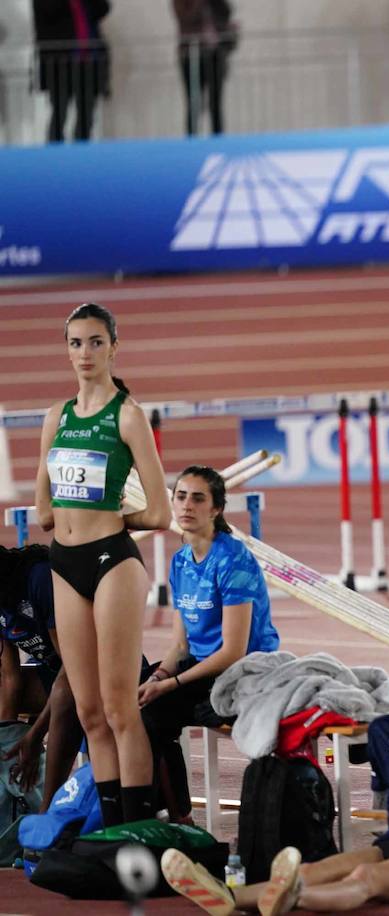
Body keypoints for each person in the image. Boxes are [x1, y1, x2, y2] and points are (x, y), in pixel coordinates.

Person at [161, 643, 389, 914]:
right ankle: (227, 898)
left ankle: (291, 897)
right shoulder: (383, 731)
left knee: (365, 879)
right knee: (315, 869)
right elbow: (388, 804)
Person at [36, 303, 172, 827]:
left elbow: (158, 512)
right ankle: (112, 828)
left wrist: (109, 510)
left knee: (119, 710)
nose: (84, 353)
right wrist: (74, 504)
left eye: (95, 342)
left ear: (114, 347)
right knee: (88, 712)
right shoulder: (57, 417)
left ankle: (136, 827)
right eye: (75, 343)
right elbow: (44, 512)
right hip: (64, 562)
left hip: (112, 560)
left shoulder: (127, 415)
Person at [137, 465, 280, 822]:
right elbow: (180, 646)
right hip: (200, 668)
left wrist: (171, 684)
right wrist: (158, 678)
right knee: (137, 702)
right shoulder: (180, 560)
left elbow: (233, 651)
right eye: (180, 497)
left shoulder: (234, 559)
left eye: (198, 498)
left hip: (244, 669)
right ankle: (167, 817)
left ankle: (180, 820)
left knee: (155, 711)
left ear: (216, 509)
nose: (186, 506)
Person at [0, 544, 83, 811]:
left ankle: (49, 813)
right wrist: (8, 745)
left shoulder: (38, 579)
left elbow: (73, 666)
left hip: (90, 669)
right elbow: (8, 677)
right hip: (53, 673)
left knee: (64, 704)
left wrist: (35, 737)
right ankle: (20, 802)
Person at [31, 0, 111, 142]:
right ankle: (55, 154)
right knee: (60, 111)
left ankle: (81, 153)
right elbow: (49, 12)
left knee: (87, 113)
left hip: (89, 60)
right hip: (59, 61)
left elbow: (103, 9)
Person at [171, 0, 238, 136]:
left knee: (216, 103)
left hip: (215, 54)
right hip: (191, 55)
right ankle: (192, 141)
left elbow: (227, 12)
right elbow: (187, 17)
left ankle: (218, 139)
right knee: (194, 103)